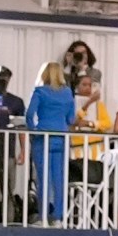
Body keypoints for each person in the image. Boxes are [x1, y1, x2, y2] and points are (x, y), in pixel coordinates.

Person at [26, 61, 76, 221]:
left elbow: (29, 114)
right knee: (59, 178)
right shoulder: (68, 93)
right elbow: (71, 118)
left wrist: (33, 131)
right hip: (61, 138)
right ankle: (58, 216)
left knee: (43, 178)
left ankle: (43, 216)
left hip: (42, 137)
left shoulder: (40, 92)